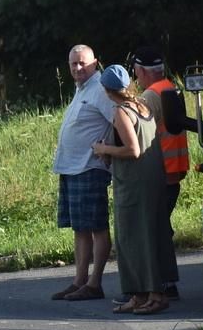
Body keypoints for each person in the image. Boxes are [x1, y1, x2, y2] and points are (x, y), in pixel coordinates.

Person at [92, 65, 170, 314]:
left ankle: (155, 295)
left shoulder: (121, 111)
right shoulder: (143, 106)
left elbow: (133, 149)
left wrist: (103, 149)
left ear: (107, 90)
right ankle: (139, 295)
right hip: (153, 179)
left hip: (134, 184)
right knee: (149, 234)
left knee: (134, 238)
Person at [50, 45, 117, 302]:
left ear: (95, 63)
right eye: (73, 64)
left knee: (97, 226)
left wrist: (109, 150)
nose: (78, 68)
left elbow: (120, 121)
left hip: (89, 167)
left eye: (82, 63)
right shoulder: (81, 89)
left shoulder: (99, 88)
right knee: (80, 228)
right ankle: (79, 281)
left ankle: (94, 283)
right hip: (73, 168)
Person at [130, 46, 188, 300]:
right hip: (173, 172)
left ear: (142, 71)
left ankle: (160, 285)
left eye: (136, 71)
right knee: (161, 228)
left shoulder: (150, 96)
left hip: (159, 174)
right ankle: (165, 283)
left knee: (154, 231)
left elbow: (136, 133)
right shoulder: (170, 88)